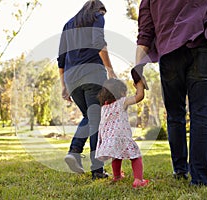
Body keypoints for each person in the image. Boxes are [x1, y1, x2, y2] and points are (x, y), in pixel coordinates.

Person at [135, 0, 207, 186]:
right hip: (201, 46)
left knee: (175, 115)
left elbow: (145, 33)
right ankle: (200, 178)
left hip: (169, 51)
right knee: (201, 114)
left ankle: (180, 170)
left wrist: (138, 67)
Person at [57, 0, 117, 179]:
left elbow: (61, 57)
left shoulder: (68, 24)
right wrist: (110, 70)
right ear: (99, 9)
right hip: (92, 73)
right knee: (96, 120)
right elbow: (99, 42)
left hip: (71, 77)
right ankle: (97, 170)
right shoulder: (97, 16)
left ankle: (74, 152)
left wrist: (63, 85)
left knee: (89, 117)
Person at [95, 78, 149, 188]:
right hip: (122, 136)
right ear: (119, 92)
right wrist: (139, 86)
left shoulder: (104, 107)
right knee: (136, 156)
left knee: (116, 155)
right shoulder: (122, 102)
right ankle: (138, 180)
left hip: (109, 138)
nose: (126, 94)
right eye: (124, 91)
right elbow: (139, 97)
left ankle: (117, 176)